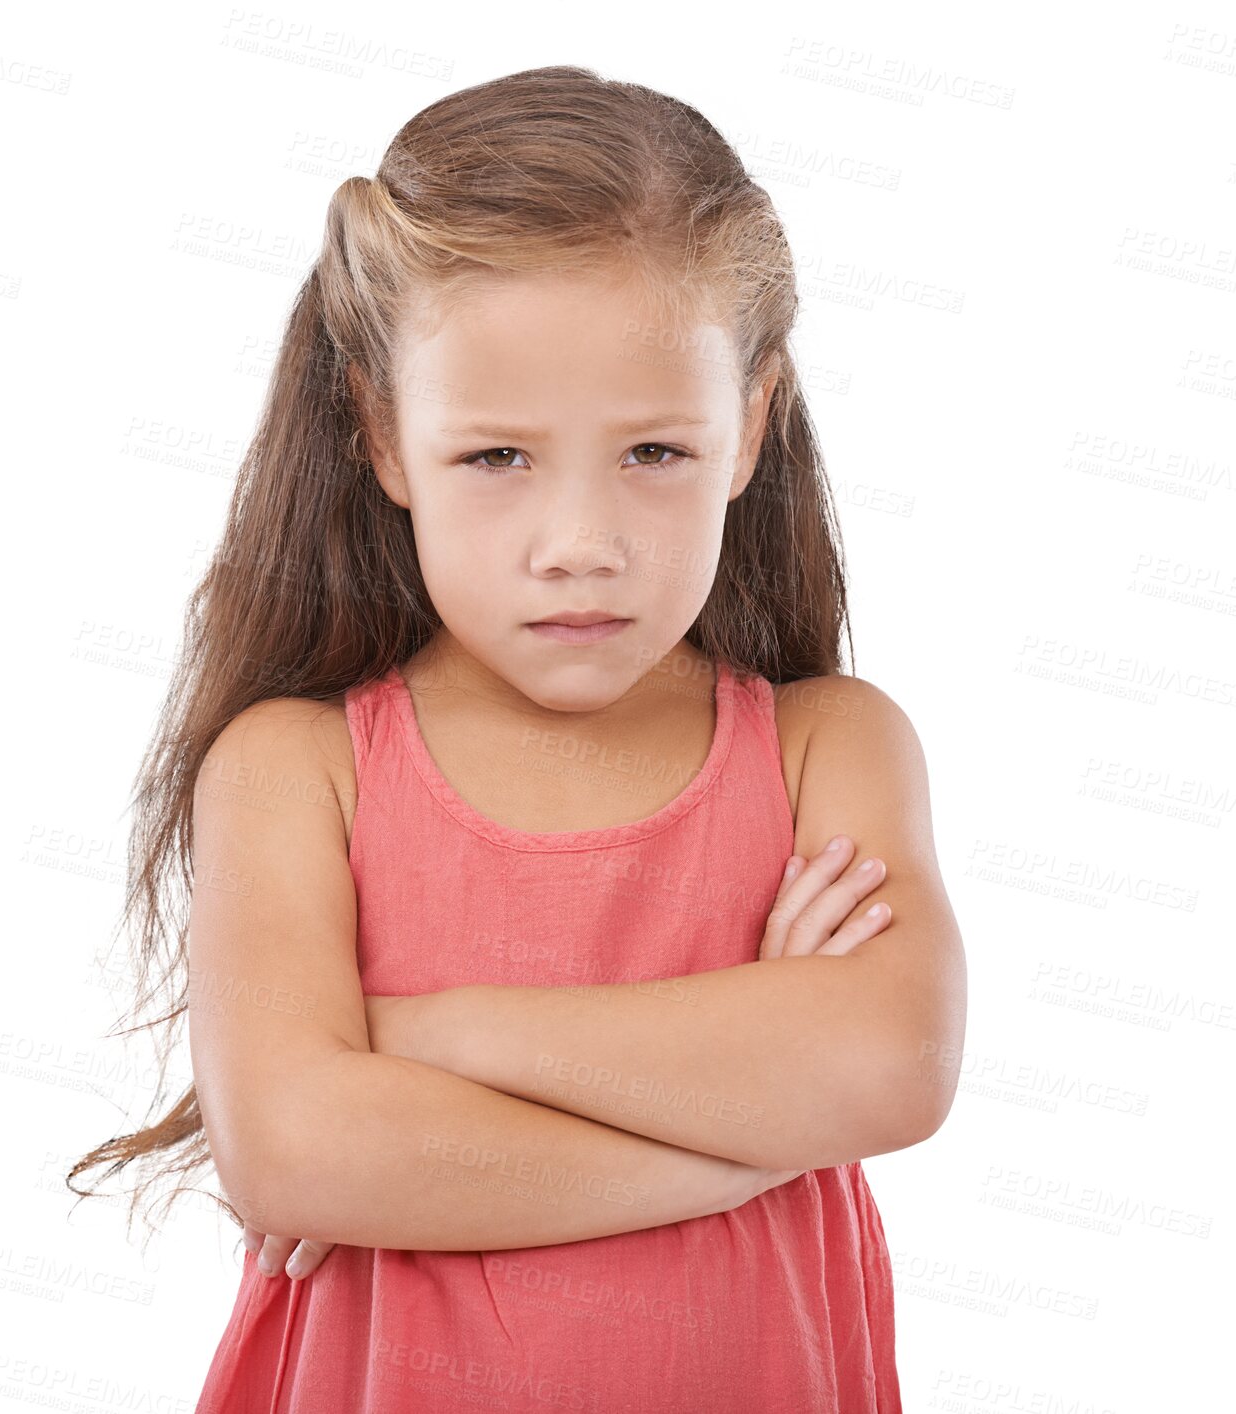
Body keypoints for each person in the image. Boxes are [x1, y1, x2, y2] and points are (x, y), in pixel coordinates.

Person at [68, 64, 966, 1413]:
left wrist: (423, 1038)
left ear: (749, 425)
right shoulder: (294, 770)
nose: (578, 546)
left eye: (653, 451)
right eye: (497, 458)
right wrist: (752, 1132)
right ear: (383, 433)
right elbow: (303, 1151)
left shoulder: (823, 747)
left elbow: (886, 1064)